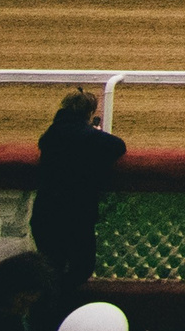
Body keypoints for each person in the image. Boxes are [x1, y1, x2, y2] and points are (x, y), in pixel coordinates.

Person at [32, 89, 126, 307]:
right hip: (75, 217)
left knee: (50, 269)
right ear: (88, 112)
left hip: (45, 214)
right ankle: (56, 305)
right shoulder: (87, 136)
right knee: (81, 268)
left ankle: (48, 311)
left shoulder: (51, 134)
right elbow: (117, 146)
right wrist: (93, 132)